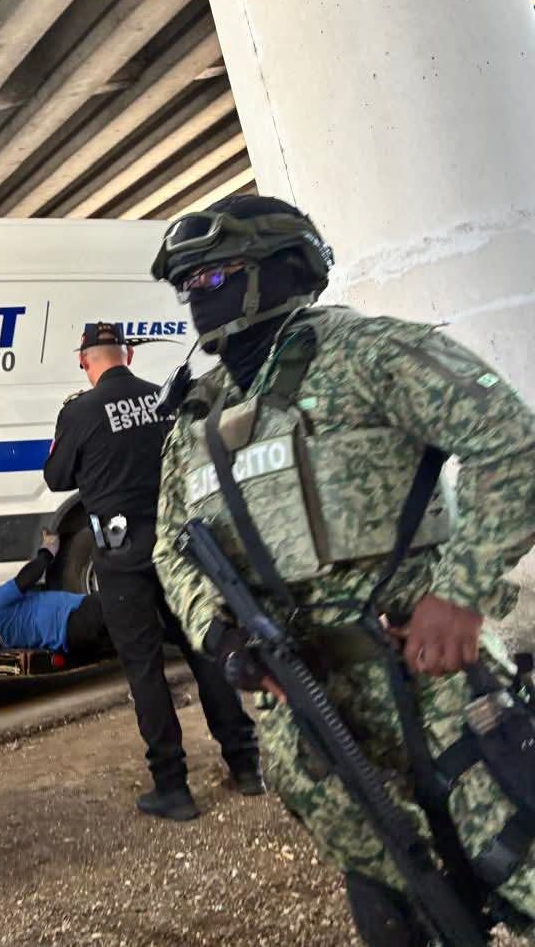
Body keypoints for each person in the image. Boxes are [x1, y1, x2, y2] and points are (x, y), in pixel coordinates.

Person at [150, 194, 535, 942]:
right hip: (311, 715)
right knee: (403, 896)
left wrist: (460, 595)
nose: (200, 297)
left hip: (430, 687)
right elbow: (171, 545)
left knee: (513, 859)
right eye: (188, 285)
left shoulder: (370, 352)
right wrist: (222, 638)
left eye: (216, 274)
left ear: (281, 268)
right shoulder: (196, 420)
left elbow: (513, 442)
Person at [44, 321, 262, 821]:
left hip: (122, 559)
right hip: (178, 548)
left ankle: (173, 787)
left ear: (85, 361)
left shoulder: (78, 411)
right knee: (206, 653)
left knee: (145, 670)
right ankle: (246, 764)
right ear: (129, 356)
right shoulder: (161, 400)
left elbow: (56, 478)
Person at [0, 530, 111, 657]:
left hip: (73, 641)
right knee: (126, 600)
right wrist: (48, 550)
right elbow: (26, 578)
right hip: (75, 616)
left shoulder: (1, 642)